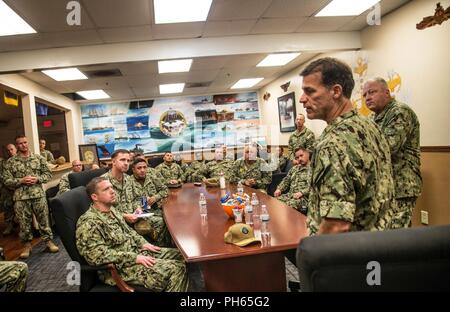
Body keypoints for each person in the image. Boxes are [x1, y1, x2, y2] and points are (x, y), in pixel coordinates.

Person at [299, 57, 395, 235]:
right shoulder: (370, 126)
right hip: (380, 244)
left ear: (335, 91)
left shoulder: (332, 143)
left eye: (310, 91)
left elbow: (336, 224)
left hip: (349, 254)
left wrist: (314, 257)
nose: (302, 99)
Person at [76, 177, 189, 292]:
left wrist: (143, 243)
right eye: (106, 189)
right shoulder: (89, 222)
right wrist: (134, 258)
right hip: (121, 268)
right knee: (177, 269)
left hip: (136, 251)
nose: (112, 191)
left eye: (111, 187)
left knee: (182, 256)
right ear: (95, 197)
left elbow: (129, 231)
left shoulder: (112, 210)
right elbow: (96, 256)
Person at [363, 78, 422, 228]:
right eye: (364, 95)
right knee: (392, 234)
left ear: (387, 92)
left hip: (401, 184)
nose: (367, 97)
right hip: (383, 186)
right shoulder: (372, 118)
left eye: (372, 92)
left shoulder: (400, 111)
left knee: (397, 234)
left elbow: (388, 147)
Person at [3, 135, 59, 258]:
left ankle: (48, 242)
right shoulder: (11, 162)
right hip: (20, 198)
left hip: (38, 195)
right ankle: (27, 245)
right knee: (24, 224)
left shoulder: (38, 158)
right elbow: (6, 180)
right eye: (20, 143)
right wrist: (20, 181)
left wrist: (37, 179)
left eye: (25, 142)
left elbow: (48, 175)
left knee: (44, 220)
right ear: (17, 146)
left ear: (28, 143)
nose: (23, 145)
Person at [128, 158, 172, 247]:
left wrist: (155, 197)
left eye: (145, 167)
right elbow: (129, 200)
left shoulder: (152, 177)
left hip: (156, 209)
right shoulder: (129, 181)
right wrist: (140, 205)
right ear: (133, 169)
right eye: (139, 168)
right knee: (161, 222)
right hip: (140, 211)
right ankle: (160, 246)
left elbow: (165, 190)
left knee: (170, 219)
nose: (142, 170)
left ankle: (167, 244)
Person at [274, 147, 311, 215]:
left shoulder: (313, 170)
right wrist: (279, 189)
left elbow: (314, 187)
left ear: (307, 154)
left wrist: (302, 193)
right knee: (274, 202)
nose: (299, 159)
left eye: (301, 155)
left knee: (287, 206)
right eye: (297, 157)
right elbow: (286, 180)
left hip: (304, 199)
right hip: (290, 195)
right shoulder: (294, 169)